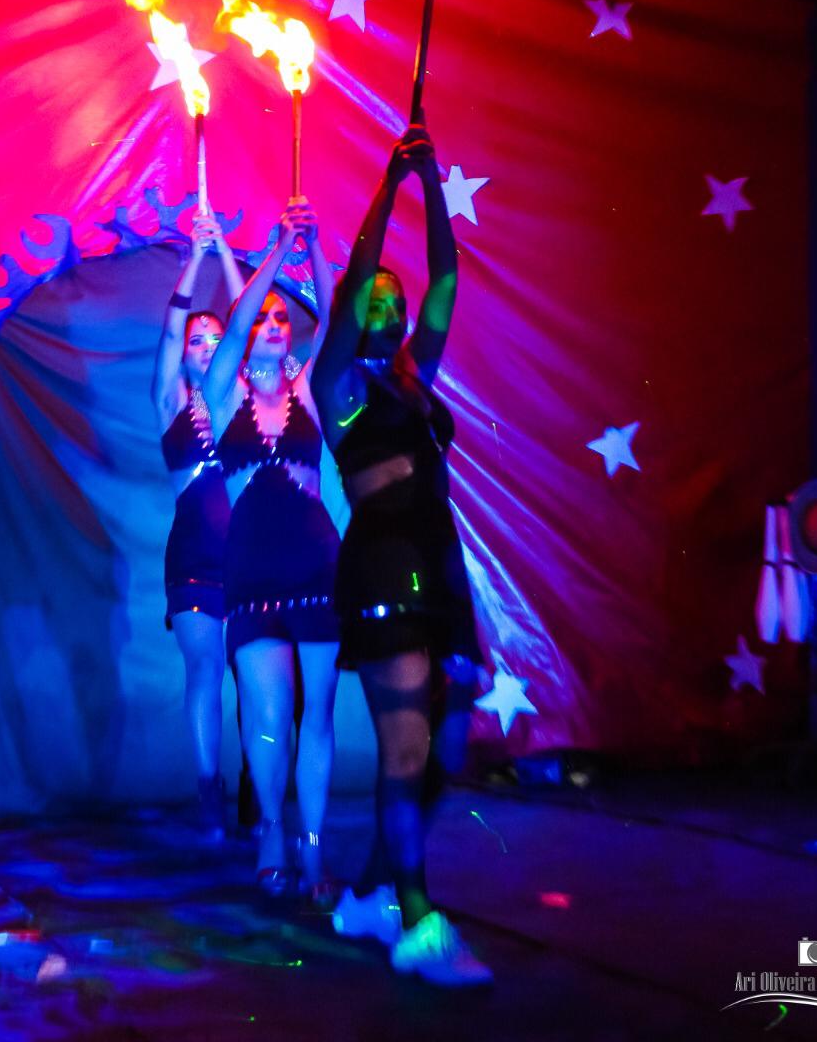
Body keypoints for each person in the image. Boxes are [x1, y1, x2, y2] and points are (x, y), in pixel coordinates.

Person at [311, 124, 492, 986]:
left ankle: (368, 894)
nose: (384, 303)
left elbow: (447, 279)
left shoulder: (415, 378)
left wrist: (428, 184)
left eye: (394, 296)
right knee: (406, 751)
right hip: (383, 569)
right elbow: (355, 276)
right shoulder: (339, 386)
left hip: (438, 572)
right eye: (372, 297)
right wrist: (386, 188)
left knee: (440, 759)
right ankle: (417, 920)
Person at [204, 199, 340, 901]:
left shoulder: (308, 390)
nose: (273, 324)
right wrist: (277, 252)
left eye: (283, 317)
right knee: (267, 719)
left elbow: (337, 321)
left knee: (317, 715)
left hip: (317, 569)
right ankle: (272, 832)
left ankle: (312, 852)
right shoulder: (221, 394)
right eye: (263, 318)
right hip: (253, 576)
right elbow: (231, 330)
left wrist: (310, 249)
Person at [153, 212, 244, 837]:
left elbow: (249, 317)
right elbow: (168, 332)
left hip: (252, 557)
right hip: (193, 560)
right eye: (197, 341)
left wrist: (229, 256)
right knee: (206, 670)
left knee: (261, 676)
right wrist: (194, 260)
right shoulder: (170, 403)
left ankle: (260, 790)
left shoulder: (246, 396)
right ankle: (210, 789)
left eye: (217, 338)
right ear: (185, 356)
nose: (208, 346)